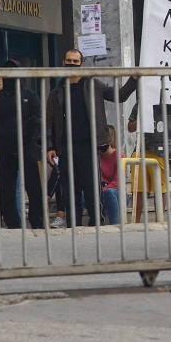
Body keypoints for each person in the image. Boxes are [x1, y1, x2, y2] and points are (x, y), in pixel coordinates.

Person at [46, 49, 136, 228]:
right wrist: (50, 146)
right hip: (65, 147)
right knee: (70, 191)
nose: (72, 64)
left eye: (75, 61)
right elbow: (49, 122)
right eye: (69, 61)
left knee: (92, 189)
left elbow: (119, 96)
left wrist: (133, 80)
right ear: (63, 63)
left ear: (82, 65)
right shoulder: (56, 92)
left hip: (89, 145)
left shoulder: (93, 85)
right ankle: (73, 226)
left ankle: (97, 225)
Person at [0, 59, 45, 229]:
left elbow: (39, 118)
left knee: (34, 189)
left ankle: (38, 224)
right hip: (4, 149)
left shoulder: (30, 95)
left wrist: (31, 134)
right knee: (6, 190)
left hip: (27, 147)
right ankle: (14, 226)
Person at [99, 125, 125, 225]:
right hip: (101, 192)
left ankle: (114, 224)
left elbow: (117, 182)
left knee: (109, 192)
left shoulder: (119, 155)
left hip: (116, 193)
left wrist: (101, 191)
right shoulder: (96, 156)